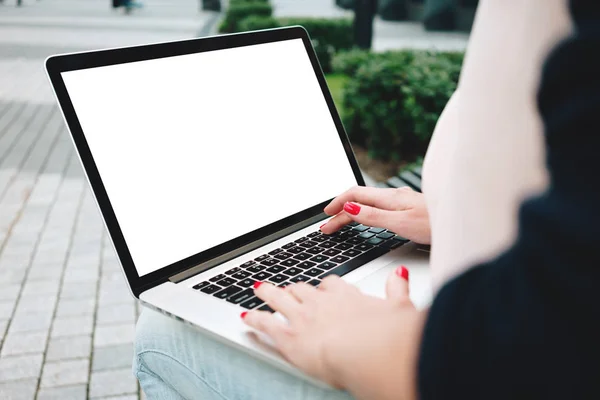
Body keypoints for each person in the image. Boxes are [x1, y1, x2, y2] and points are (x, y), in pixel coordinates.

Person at [133, 0, 600, 398]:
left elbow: (555, 340)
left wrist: (377, 344)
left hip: (459, 357)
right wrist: (450, 216)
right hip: (479, 275)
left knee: (160, 338)